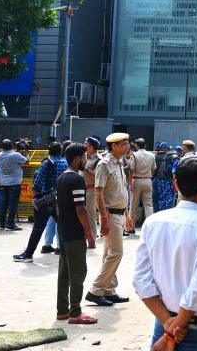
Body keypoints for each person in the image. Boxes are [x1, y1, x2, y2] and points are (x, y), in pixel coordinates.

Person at [134, 155, 197, 350]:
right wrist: (177, 324)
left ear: (175, 184)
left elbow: (140, 280)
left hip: (163, 321)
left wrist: (168, 324)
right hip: (194, 325)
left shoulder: (153, 222)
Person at [87, 132, 132, 307]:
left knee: (109, 253)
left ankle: (109, 290)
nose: (127, 147)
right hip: (110, 214)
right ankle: (96, 290)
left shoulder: (120, 163)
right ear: (114, 146)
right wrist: (104, 217)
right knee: (116, 253)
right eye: (123, 144)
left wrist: (127, 213)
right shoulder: (104, 164)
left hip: (119, 213)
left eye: (127, 144)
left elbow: (122, 191)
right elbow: (99, 192)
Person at [55, 143, 97, 325]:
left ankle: (62, 310)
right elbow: (80, 209)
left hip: (63, 232)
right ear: (77, 158)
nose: (86, 160)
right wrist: (89, 234)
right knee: (78, 272)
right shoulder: (77, 180)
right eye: (84, 157)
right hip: (75, 233)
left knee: (64, 273)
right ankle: (76, 312)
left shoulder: (61, 179)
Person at [15, 143, 69, 262]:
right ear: (61, 152)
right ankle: (66, 252)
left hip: (44, 199)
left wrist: (35, 198)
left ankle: (28, 254)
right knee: (62, 225)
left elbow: (37, 182)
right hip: (59, 198)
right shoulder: (65, 163)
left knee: (38, 228)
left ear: (49, 151)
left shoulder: (47, 163)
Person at [0, 139, 27, 232]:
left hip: (4, 183)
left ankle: (1, 224)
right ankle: (10, 224)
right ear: (12, 146)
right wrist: (26, 152)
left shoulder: (0, 154)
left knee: (4, 204)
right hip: (14, 182)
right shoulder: (15, 155)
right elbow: (25, 161)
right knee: (13, 204)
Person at [128, 138, 156, 232]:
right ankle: (151, 228)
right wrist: (149, 177)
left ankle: (131, 227)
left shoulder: (134, 155)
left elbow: (131, 170)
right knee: (148, 205)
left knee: (133, 205)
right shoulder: (152, 155)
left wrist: (130, 182)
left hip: (136, 180)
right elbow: (153, 169)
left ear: (136, 145)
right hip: (148, 180)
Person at [82, 137, 104, 240]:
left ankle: (93, 235)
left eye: (86, 144)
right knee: (83, 212)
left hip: (91, 189)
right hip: (82, 189)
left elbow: (100, 176)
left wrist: (87, 170)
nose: (84, 146)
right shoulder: (83, 157)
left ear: (92, 147)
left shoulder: (98, 160)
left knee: (91, 213)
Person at [153, 144, 177, 212]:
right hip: (167, 181)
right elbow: (173, 172)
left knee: (156, 199)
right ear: (166, 149)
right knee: (167, 200)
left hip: (156, 180)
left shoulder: (155, 156)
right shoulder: (172, 158)